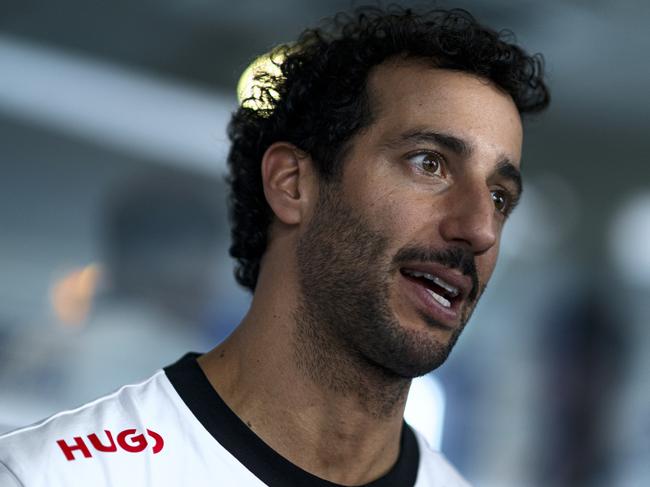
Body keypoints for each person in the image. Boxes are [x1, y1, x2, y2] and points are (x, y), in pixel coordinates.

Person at [0, 6, 549, 486]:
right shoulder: (56, 475)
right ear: (293, 184)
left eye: (500, 197)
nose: (480, 228)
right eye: (429, 163)